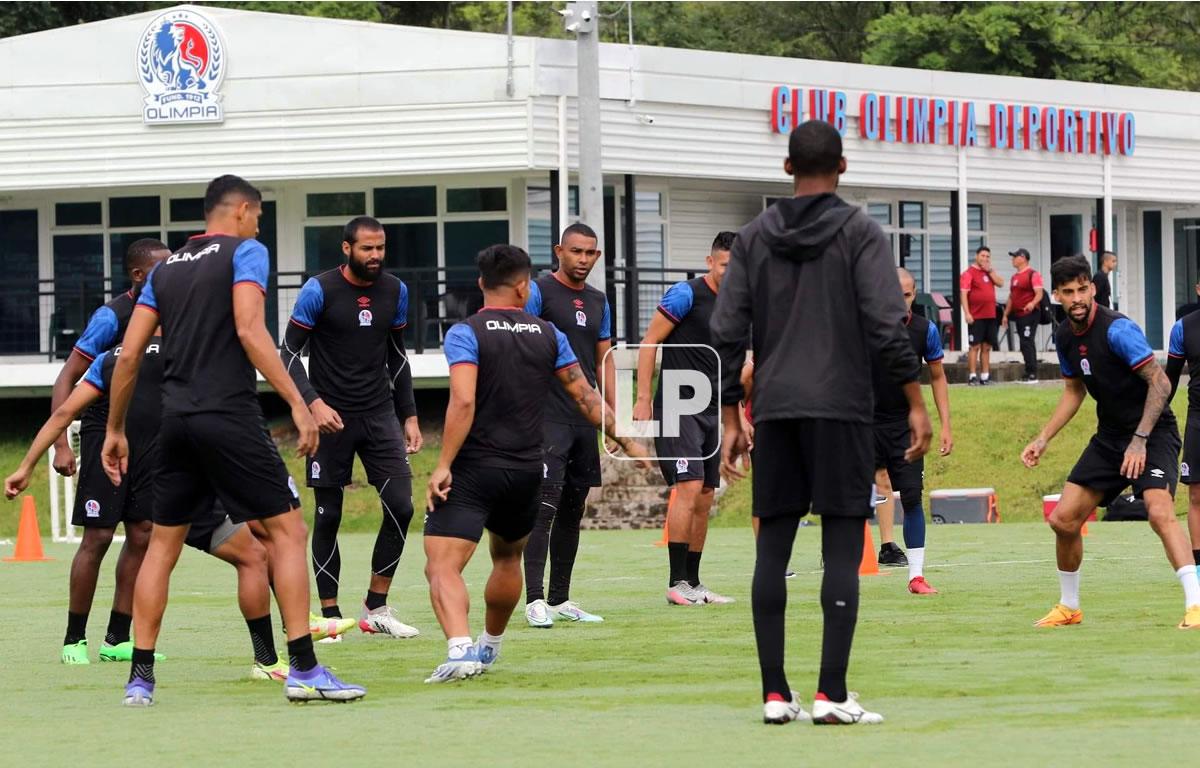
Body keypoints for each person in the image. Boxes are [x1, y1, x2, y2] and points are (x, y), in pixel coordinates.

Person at [102, 174, 364, 706]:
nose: (259, 224)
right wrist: (298, 399)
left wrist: (114, 429)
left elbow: (128, 357)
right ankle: (304, 670)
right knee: (287, 533)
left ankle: (140, 680)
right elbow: (249, 329)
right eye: (260, 216)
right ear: (243, 210)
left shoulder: (165, 269)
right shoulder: (246, 251)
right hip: (229, 416)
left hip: (175, 422)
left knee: (162, 547)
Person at [711, 119, 931, 726]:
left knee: (772, 547)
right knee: (841, 541)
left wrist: (732, 413)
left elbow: (726, 332)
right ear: (844, 167)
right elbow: (888, 327)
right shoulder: (861, 232)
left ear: (786, 168)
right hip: (842, 408)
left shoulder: (753, 238)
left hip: (777, 409)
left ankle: (776, 695)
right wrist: (915, 401)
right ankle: (832, 693)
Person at [422, 244, 648, 683]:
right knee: (506, 559)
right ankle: (490, 645)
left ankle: (459, 649)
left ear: (483, 285)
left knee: (443, 564)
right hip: (528, 470)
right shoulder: (550, 335)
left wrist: (443, 463)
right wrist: (628, 440)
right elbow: (585, 397)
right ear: (524, 287)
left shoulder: (465, 332)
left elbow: (463, 400)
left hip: (475, 468)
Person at [6, 336, 293, 681]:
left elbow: (65, 412)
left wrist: (26, 466)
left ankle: (137, 670)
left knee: (156, 555)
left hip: (163, 488)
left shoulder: (114, 359)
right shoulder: (194, 351)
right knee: (251, 557)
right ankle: (267, 662)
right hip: (185, 482)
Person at [1022, 255, 1200, 630]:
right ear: (1056, 295)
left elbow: (1162, 383)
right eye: (1068, 292)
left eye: (1083, 289)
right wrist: (1043, 438)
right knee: (1063, 520)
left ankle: (1196, 603)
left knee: (1158, 511)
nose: (1077, 298)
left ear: (1092, 287)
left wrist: (1140, 440)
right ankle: (1069, 606)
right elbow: (1074, 390)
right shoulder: (1065, 336)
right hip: (1110, 437)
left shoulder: (1118, 330)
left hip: (1153, 432)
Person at [282, 215, 422, 641]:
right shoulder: (318, 290)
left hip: (379, 414)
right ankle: (329, 615)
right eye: (367, 248)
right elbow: (287, 352)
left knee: (401, 506)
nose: (375, 256)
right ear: (347, 249)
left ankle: (375, 608)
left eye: (380, 248)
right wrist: (313, 404)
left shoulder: (395, 290)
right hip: (331, 419)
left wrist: (410, 415)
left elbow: (397, 356)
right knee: (329, 516)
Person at [42, 238, 167, 664]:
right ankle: (73, 639)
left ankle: (116, 639)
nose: (171, 276)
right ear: (138, 275)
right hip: (103, 436)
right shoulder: (112, 316)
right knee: (97, 536)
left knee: (143, 533)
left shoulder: (174, 312)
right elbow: (68, 377)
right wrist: (62, 443)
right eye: (161, 269)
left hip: (152, 441)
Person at [634, 231, 736, 607]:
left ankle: (693, 582)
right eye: (726, 265)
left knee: (707, 494)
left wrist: (738, 417)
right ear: (710, 263)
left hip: (711, 408)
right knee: (689, 487)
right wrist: (644, 399)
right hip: (678, 405)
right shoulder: (685, 294)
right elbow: (648, 343)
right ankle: (676, 582)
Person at [521, 222, 614, 627]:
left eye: (590, 253)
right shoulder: (539, 291)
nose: (583, 260)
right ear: (559, 251)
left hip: (582, 421)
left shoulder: (598, 300)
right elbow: (521, 344)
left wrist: (613, 414)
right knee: (543, 509)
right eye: (576, 251)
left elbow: (604, 361)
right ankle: (534, 600)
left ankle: (560, 599)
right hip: (546, 416)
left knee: (573, 511)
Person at [872, 268, 953, 591]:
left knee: (911, 498)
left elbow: (937, 377)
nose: (900, 301)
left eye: (906, 295)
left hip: (904, 427)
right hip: (862, 424)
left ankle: (916, 576)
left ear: (913, 294)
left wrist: (946, 423)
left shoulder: (925, 330)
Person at [1165, 311, 1200, 568]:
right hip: (1198, 420)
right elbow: (1170, 379)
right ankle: (1198, 568)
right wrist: (1154, 415)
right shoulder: (1182, 329)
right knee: (1197, 496)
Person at [960, 246, 1005, 385]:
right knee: (974, 346)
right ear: (976, 256)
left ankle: (985, 376)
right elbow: (964, 294)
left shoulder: (989, 272)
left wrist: (990, 271)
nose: (985, 259)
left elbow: (1001, 283)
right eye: (982, 256)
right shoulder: (968, 273)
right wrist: (967, 313)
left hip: (990, 315)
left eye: (987, 256)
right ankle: (972, 376)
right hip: (976, 316)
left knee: (987, 347)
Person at [1000, 248, 1044, 383]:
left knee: (1027, 341)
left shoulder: (1033, 274)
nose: (1012, 259)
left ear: (1023, 258)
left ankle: (1032, 372)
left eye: (1015, 257)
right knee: (1023, 343)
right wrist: (1005, 315)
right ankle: (1028, 371)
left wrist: (1032, 303)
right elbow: (1012, 298)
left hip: (1029, 313)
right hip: (1018, 314)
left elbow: (1039, 293)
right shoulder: (1014, 277)